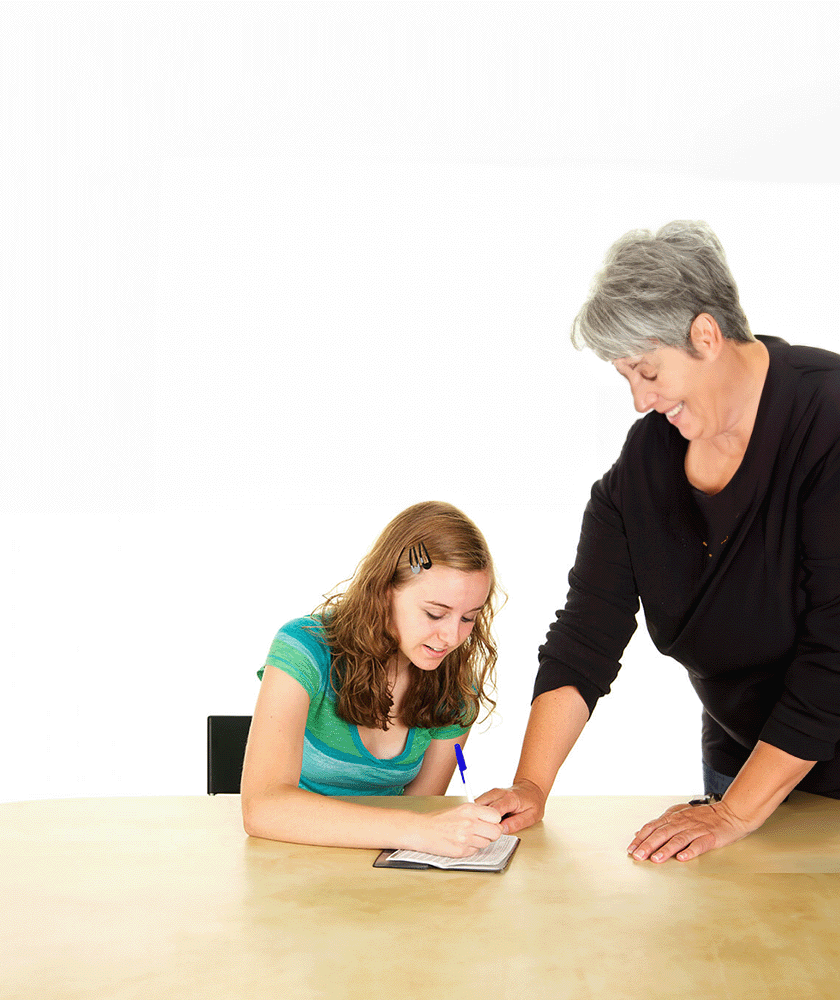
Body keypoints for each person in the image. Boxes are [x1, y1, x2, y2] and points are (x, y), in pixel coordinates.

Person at [479, 221, 839, 863]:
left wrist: (733, 813)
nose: (640, 402)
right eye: (626, 379)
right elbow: (585, 636)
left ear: (705, 335)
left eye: (647, 372)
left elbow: (837, 648)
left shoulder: (829, 418)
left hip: (785, 774)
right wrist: (532, 785)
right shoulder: (643, 471)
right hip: (745, 765)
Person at [241, 501, 505, 857]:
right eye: (435, 613)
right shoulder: (305, 650)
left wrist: (433, 830)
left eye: (468, 617)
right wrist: (415, 830)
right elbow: (262, 808)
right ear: (384, 591)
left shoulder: (455, 687)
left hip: (380, 872)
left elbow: (421, 811)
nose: (452, 638)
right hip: (286, 863)